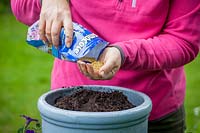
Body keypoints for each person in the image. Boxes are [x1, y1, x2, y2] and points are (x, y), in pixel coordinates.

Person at [11, 0, 200, 132]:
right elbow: (20, 7)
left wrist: (122, 53)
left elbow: (184, 41)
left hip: (151, 111)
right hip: (71, 106)